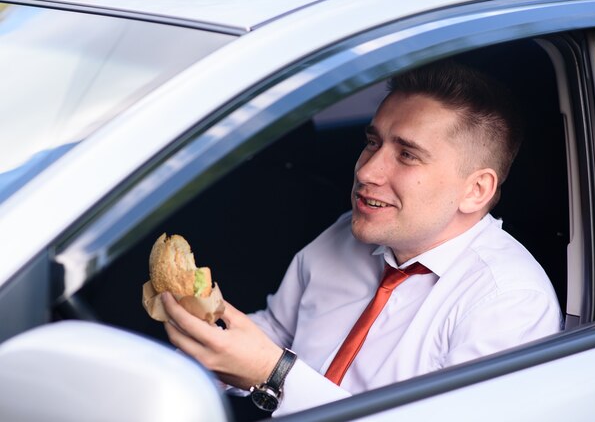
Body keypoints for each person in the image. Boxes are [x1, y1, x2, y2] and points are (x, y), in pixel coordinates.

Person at [161, 60, 563, 416]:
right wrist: (201, 350)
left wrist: (275, 374)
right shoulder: (345, 233)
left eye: (407, 155)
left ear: (475, 190)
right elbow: (279, 330)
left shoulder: (509, 303)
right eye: (373, 142)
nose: (367, 171)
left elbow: (273, 361)